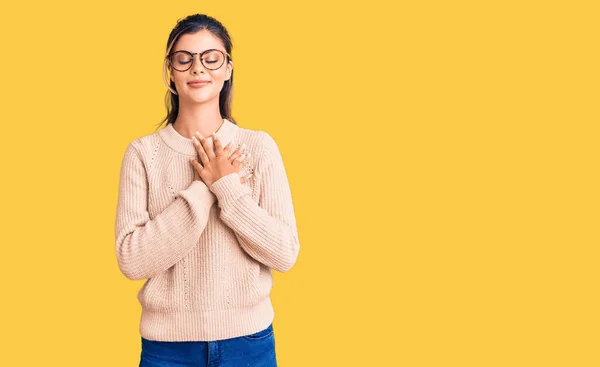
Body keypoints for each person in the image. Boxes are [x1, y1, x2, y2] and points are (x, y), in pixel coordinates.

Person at [114, 13, 300, 367]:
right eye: (185, 59)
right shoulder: (142, 154)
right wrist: (204, 189)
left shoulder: (257, 147)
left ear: (228, 68)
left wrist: (228, 189)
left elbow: (285, 252)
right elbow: (131, 259)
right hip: (167, 348)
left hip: (248, 343)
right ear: (171, 71)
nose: (198, 68)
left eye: (211, 58)